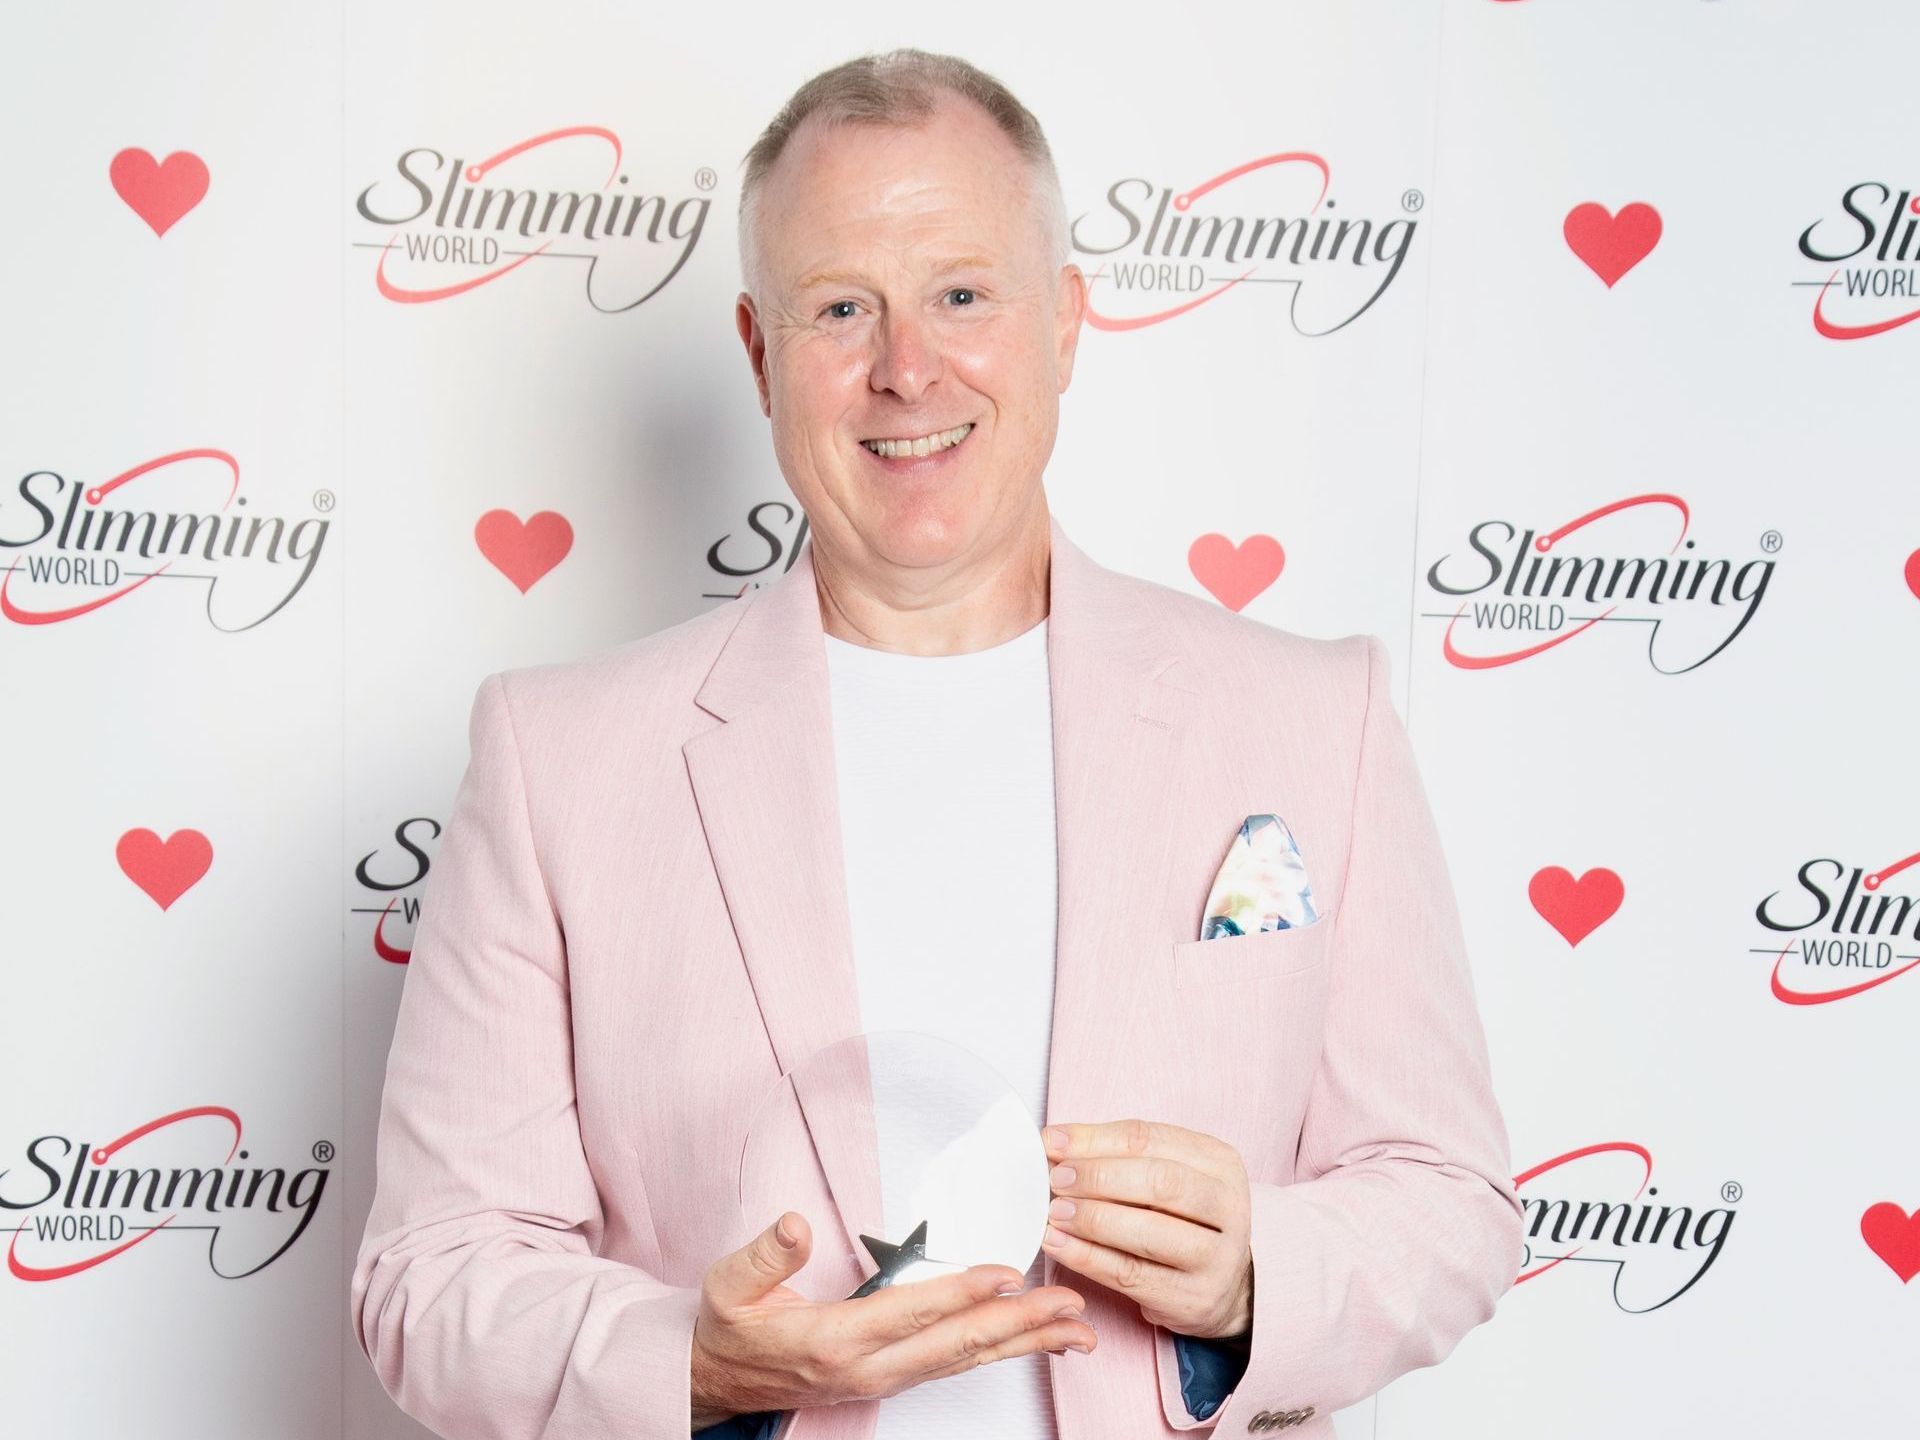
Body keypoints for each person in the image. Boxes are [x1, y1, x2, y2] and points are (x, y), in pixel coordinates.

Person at [351, 47, 1523, 1440]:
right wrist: (697, 1364)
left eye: (962, 295)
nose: (907, 369)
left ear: (1065, 324)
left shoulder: (1315, 720)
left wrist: (1260, 1277)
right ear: (760, 354)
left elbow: (1448, 1199)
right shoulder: (555, 762)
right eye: (843, 307)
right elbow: (431, 1277)